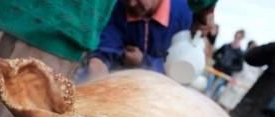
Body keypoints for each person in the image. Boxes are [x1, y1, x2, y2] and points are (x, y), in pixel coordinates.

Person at [83, 0, 218, 80]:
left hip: (161, 90)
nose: (131, 3)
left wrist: (144, 61)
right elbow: (103, 54)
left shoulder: (185, 12)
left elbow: (180, 68)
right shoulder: (117, 8)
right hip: (121, 84)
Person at [217, 40, 264, 110]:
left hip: (245, 87)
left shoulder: (259, 62)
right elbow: (237, 67)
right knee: (224, 101)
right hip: (235, 81)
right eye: (253, 47)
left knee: (233, 104)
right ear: (249, 47)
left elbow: (257, 75)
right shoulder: (242, 55)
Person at [204, 29, 245, 101]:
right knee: (208, 88)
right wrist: (219, 60)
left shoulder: (240, 53)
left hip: (226, 74)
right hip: (215, 70)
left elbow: (240, 67)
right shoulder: (226, 46)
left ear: (241, 38)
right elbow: (215, 55)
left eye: (239, 37)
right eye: (236, 36)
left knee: (217, 91)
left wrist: (230, 67)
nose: (236, 38)